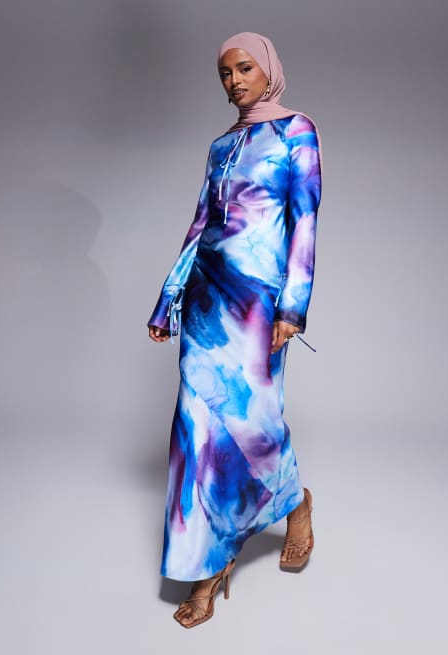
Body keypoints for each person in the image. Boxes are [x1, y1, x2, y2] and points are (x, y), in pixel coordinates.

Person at [147, 31, 322, 629]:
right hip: (205, 304)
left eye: (245, 68)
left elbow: (304, 223)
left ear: (268, 68)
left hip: (256, 308)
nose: (235, 81)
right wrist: (168, 299)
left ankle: (296, 502)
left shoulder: (297, 132)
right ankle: (208, 566)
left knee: (253, 423)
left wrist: (292, 308)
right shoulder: (220, 145)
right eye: (225, 73)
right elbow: (200, 226)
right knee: (196, 432)